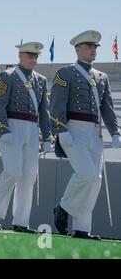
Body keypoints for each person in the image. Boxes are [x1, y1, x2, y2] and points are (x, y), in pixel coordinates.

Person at [51, 30, 121, 240]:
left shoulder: (102, 77)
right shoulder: (66, 73)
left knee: (96, 180)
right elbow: (56, 104)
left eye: (95, 47)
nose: (93, 50)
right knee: (87, 174)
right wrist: (61, 131)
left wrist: (115, 131)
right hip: (73, 128)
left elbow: (107, 107)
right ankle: (63, 208)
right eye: (89, 46)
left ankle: (82, 228)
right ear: (77, 49)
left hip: (94, 132)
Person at [0, 42, 52, 233]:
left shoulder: (41, 80)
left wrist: (47, 136)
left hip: (32, 129)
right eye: (29, 55)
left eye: (36, 56)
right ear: (20, 56)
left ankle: (21, 222)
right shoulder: (6, 76)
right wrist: (3, 130)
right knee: (12, 172)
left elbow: (44, 110)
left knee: (29, 176)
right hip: (12, 127)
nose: (33, 59)